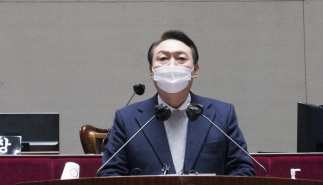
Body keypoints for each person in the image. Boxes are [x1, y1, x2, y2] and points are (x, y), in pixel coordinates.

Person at [98, 30, 255, 177]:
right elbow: (110, 173)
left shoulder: (222, 114)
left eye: (181, 58)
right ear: (151, 71)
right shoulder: (127, 118)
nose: (172, 65)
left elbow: (243, 170)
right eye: (163, 59)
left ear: (195, 70)